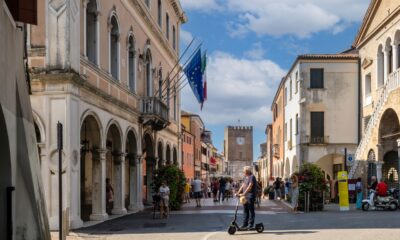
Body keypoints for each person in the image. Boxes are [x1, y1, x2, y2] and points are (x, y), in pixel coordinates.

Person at [236, 166, 257, 230]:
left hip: (250, 196)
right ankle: (245, 224)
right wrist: (238, 192)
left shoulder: (252, 177)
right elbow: (243, 185)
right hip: (245, 196)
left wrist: (244, 193)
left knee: (251, 210)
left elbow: (250, 186)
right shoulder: (245, 177)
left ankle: (250, 225)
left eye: (244, 171)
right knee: (245, 210)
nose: (243, 172)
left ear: (247, 171)